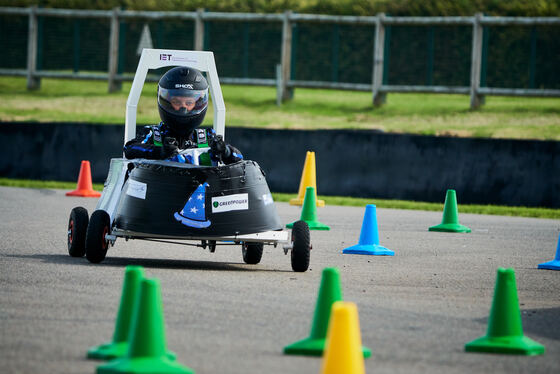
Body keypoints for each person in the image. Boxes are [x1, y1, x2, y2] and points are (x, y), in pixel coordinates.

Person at [123, 66, 242, 165]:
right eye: (177, 102)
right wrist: (160, 152)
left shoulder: (207, 137)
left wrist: (224, 150)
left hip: (200, 191)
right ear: (167, 103)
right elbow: (129, 149)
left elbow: (238, 158)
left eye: (189, 103)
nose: (183, 108)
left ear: (198, 104)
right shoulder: (153, 134)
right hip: (158, 190)